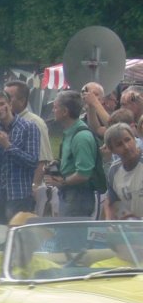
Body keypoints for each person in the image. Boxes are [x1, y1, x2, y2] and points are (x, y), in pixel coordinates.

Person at [0, 90, 40, 223]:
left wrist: (8, 146)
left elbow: (32, 161)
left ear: (10, 105)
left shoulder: (28, 127)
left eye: (1, 104)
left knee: (17, 230)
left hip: (19, 193)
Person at [46, 90, 104, 218]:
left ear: (65, 111)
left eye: (55, 107)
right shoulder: (70, 132)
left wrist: (63, 182)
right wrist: (59, 163)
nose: (53, 110)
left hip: (78, 197)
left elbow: (84, 174)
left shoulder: (81, 137)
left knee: (72, 230)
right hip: (70, 195)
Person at [103, 123, 143, 219]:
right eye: (119, 144)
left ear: (134, 139)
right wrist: (110, 222)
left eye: (128, 140)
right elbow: (110, 202)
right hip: (132, 226)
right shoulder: (113, 171)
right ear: (112, 150)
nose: (126, 147)